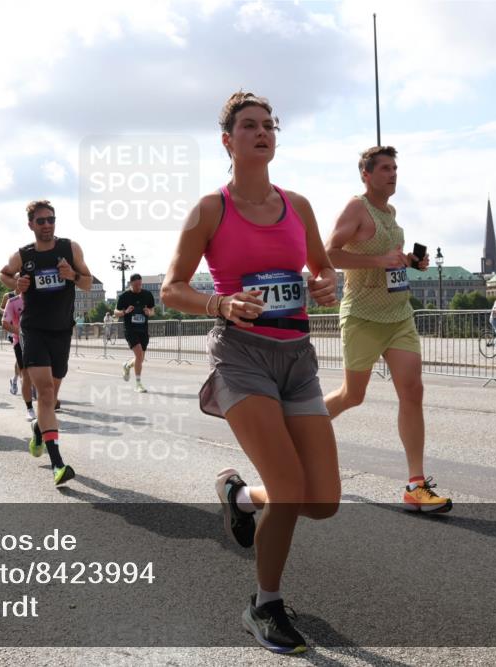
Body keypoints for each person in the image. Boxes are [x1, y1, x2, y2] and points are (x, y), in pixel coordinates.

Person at [161, 92, 341, 654]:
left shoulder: (300, 205)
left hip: (297, 358)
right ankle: (264, 605)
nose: (262, 132)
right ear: (228, 141)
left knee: (323, 500)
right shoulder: (210, 209)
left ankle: (239, 497)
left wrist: (324, 284)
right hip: (241, 356)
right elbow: (172, 289)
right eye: (249, 125)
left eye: (269, 125)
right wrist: (220, 304)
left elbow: (322, 267)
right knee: (289, 491)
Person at [323, 145, 453, 513]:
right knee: (353, 395)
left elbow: (391, 260)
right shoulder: (355, 208)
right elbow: (329, 253)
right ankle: (304, 425)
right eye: (384, 168)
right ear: (365, 174)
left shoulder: (391, 212)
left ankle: (416, 483)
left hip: (398, 314)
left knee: (413, 391)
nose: (393, 174)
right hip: (363, 315)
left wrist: (412, 262)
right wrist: (381, 259)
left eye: (395, 168)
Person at [0, 199, 93, 485]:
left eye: (51, 219)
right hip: (34, 330)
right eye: (41, 221)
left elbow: (88, 282)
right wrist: (15, 282)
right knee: (47, 393)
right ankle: (57, 464)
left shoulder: (70, 248)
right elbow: (3, 273)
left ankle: (39, 431)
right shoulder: (23, 255)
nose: (47, 225)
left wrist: (72, 275)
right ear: (31, 225)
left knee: (50, 397)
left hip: (62, 331)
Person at [115, 274, 156, 392]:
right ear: (131, 283)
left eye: (140, 284)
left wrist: (149, 312)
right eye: (136, 285)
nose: (139, 287)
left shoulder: (147, 295)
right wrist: (125, 311)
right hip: (130, 330)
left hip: (143, 329)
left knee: (140, 358)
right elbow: (115, 312)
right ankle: (138, 384)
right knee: (139, 355)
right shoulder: (124, 296)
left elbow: (153, 311)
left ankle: (127, 366)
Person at [2, 285, 35, 419]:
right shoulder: (13, 301)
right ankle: (30, 408)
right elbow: (4, 323)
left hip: (40, 341)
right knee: (26, 374)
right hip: (20, 342)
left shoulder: (41, 299)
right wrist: (21, 333)